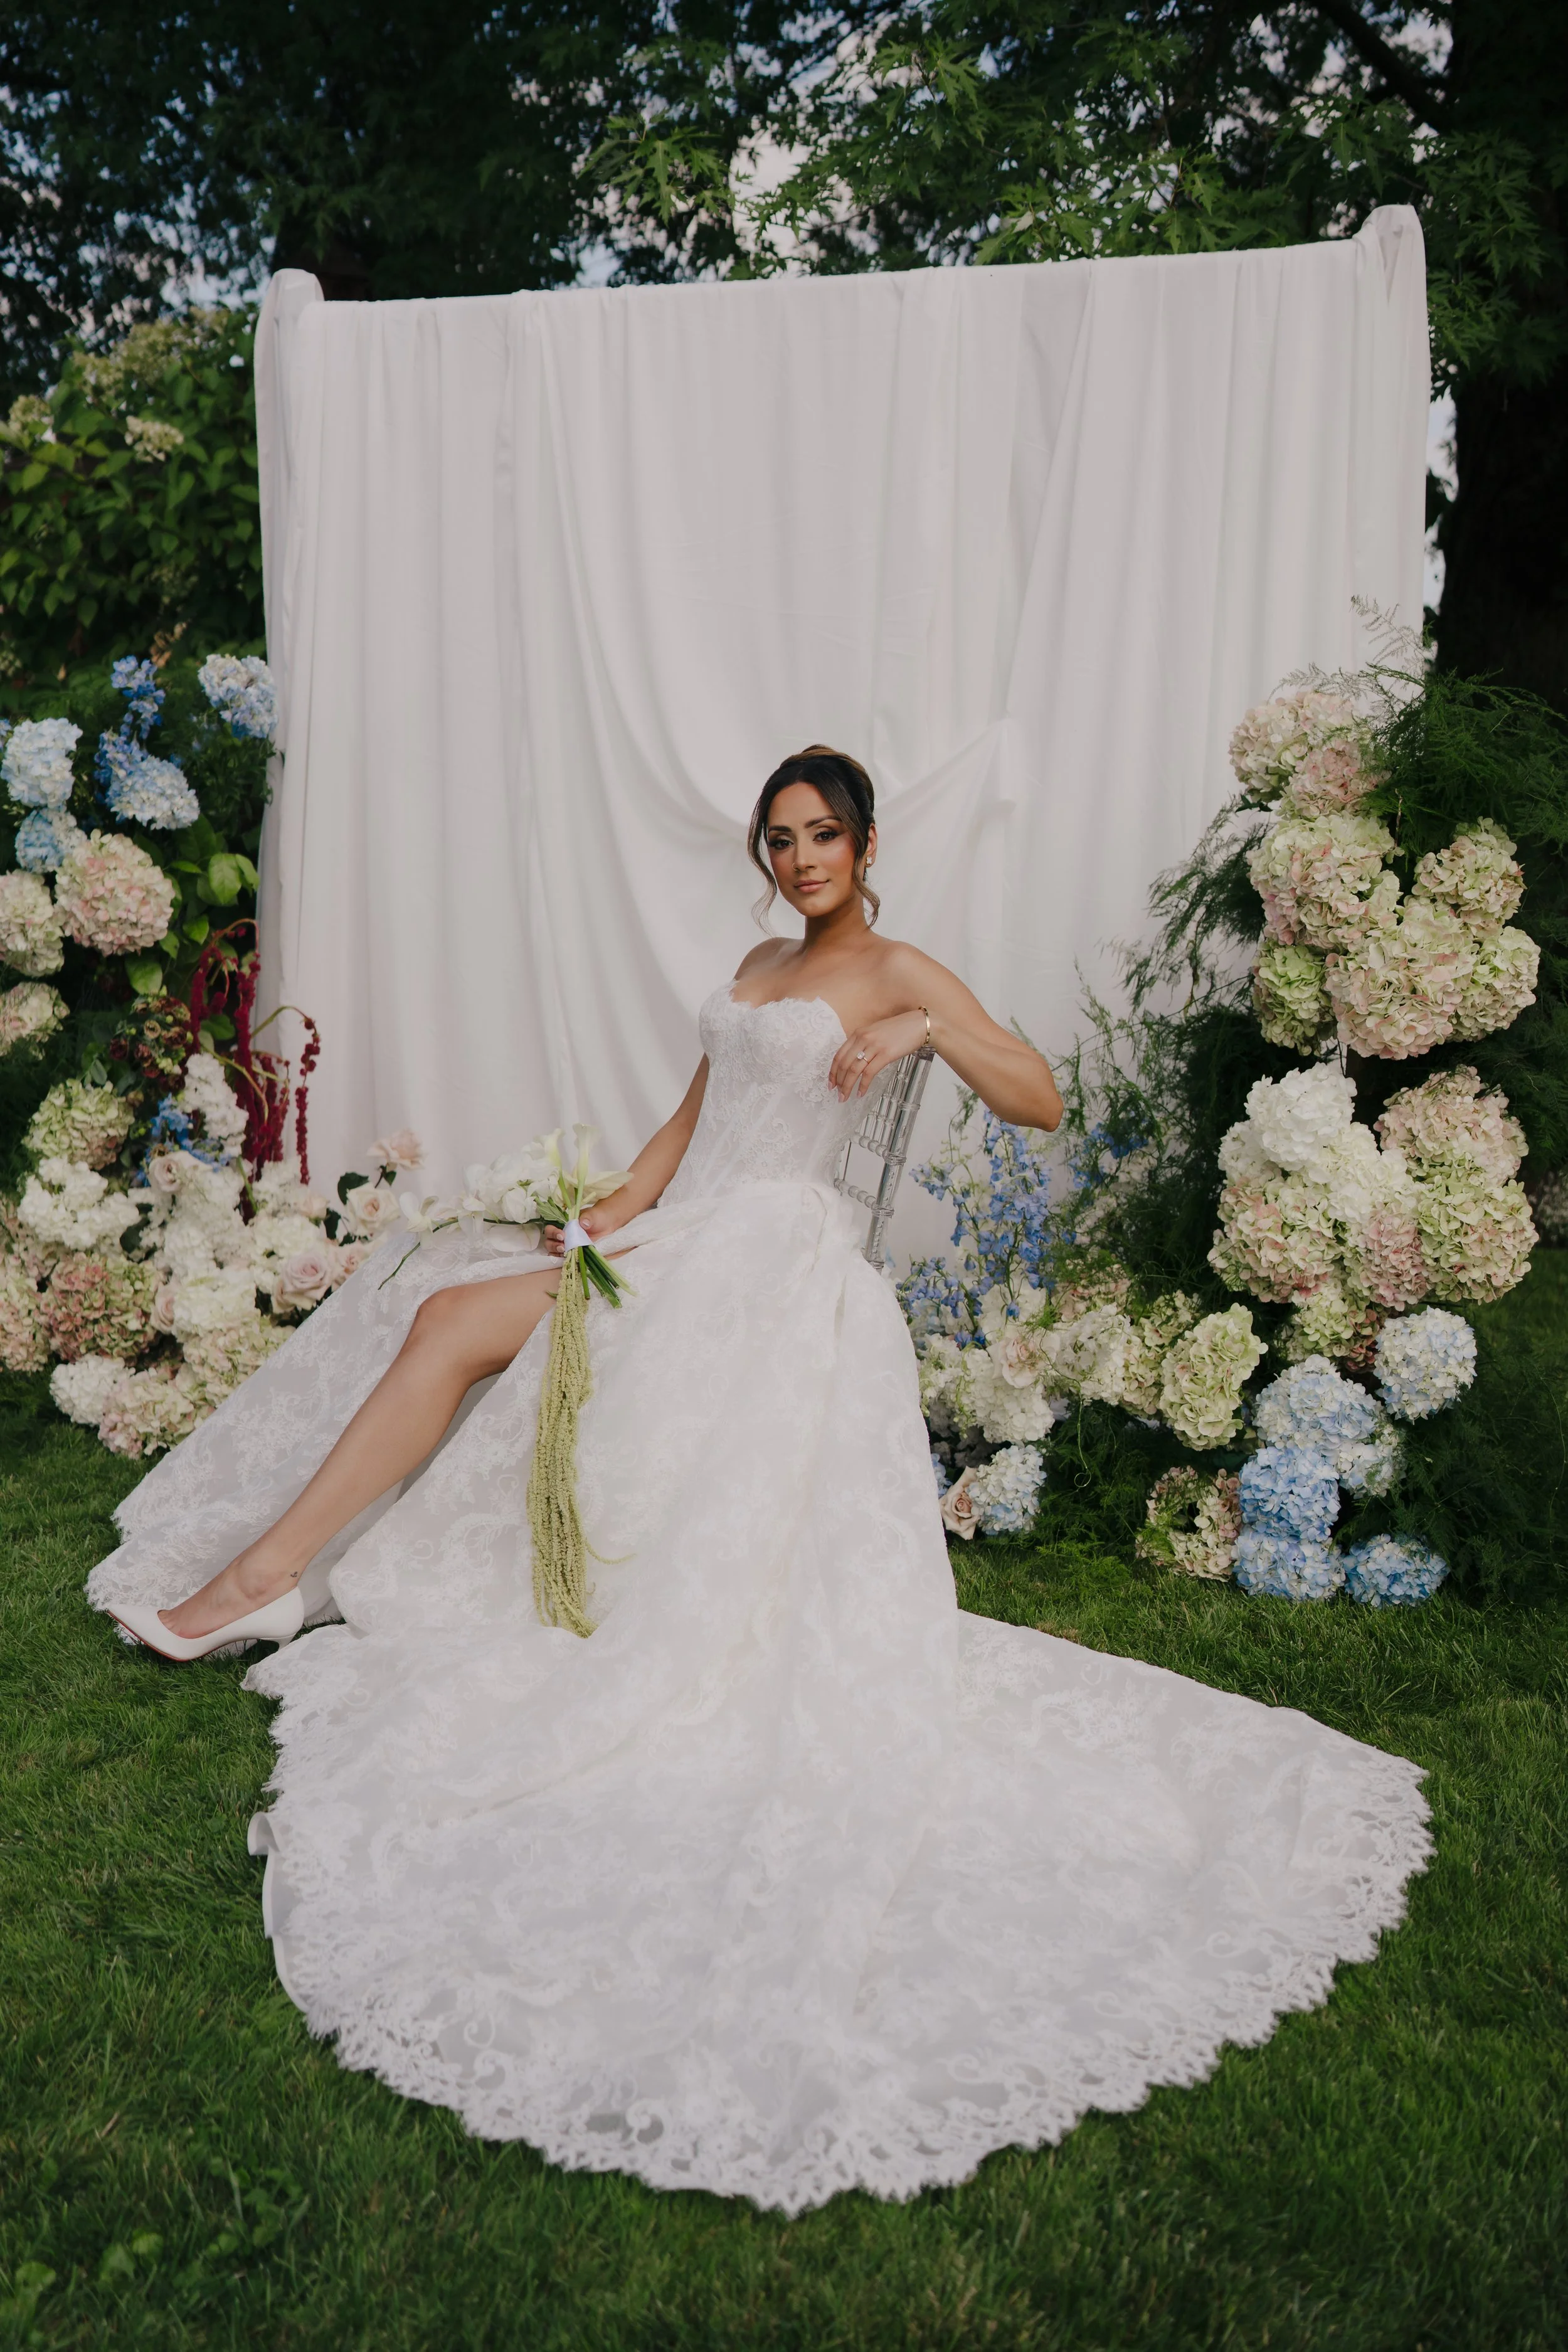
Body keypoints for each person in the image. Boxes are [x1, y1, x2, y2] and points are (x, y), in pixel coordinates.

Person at [89, 746, 1429, 2214]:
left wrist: (918, 1023)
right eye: (778, 838)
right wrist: (604, 1211)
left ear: (862, 843)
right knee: (441, 1306)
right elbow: (694, 1119)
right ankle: (277, 1575)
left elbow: (1036, 1096)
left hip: (771, 1272)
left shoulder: (894, 968)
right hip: (685, 1233)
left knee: (450, 1329)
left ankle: (265, 1583)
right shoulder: (753, 959)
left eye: (821, 837)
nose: (798, 861)